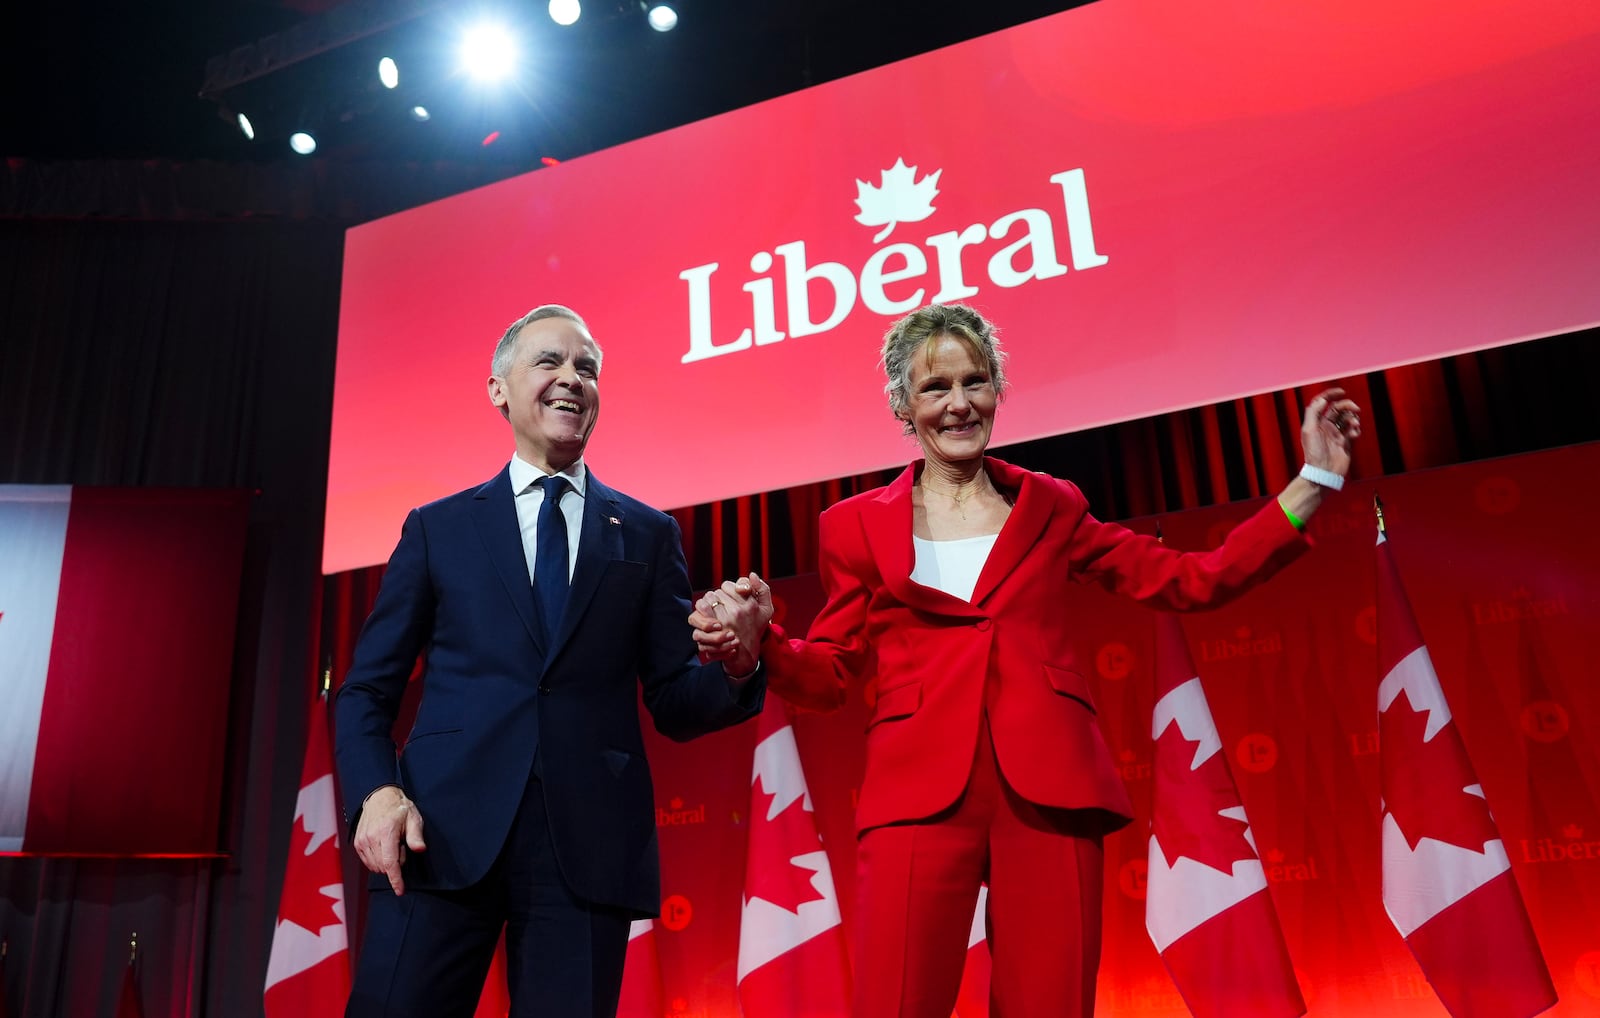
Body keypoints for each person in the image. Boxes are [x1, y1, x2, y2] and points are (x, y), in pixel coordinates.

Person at [692, 302, 1360, 1018]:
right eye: (934, 388)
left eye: (975, 382)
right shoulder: (852, 526)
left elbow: (1191, 580)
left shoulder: (1053, 505)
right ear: (901, 405)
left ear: (997, 390)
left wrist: (1311, 485)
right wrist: (758, 646)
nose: (958, 405)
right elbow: (828, 676)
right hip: (915, 798)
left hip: (1051, 790)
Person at [334, 304, 765, 1018]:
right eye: (551, 362)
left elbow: (674, 701)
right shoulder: (439, 527)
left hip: (585, 847)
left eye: (587, 368)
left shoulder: (648, 535)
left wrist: (739, 664)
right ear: (499, 390)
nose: (573, 379)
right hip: (438, 835)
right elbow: (365, 691)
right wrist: (376, 793)